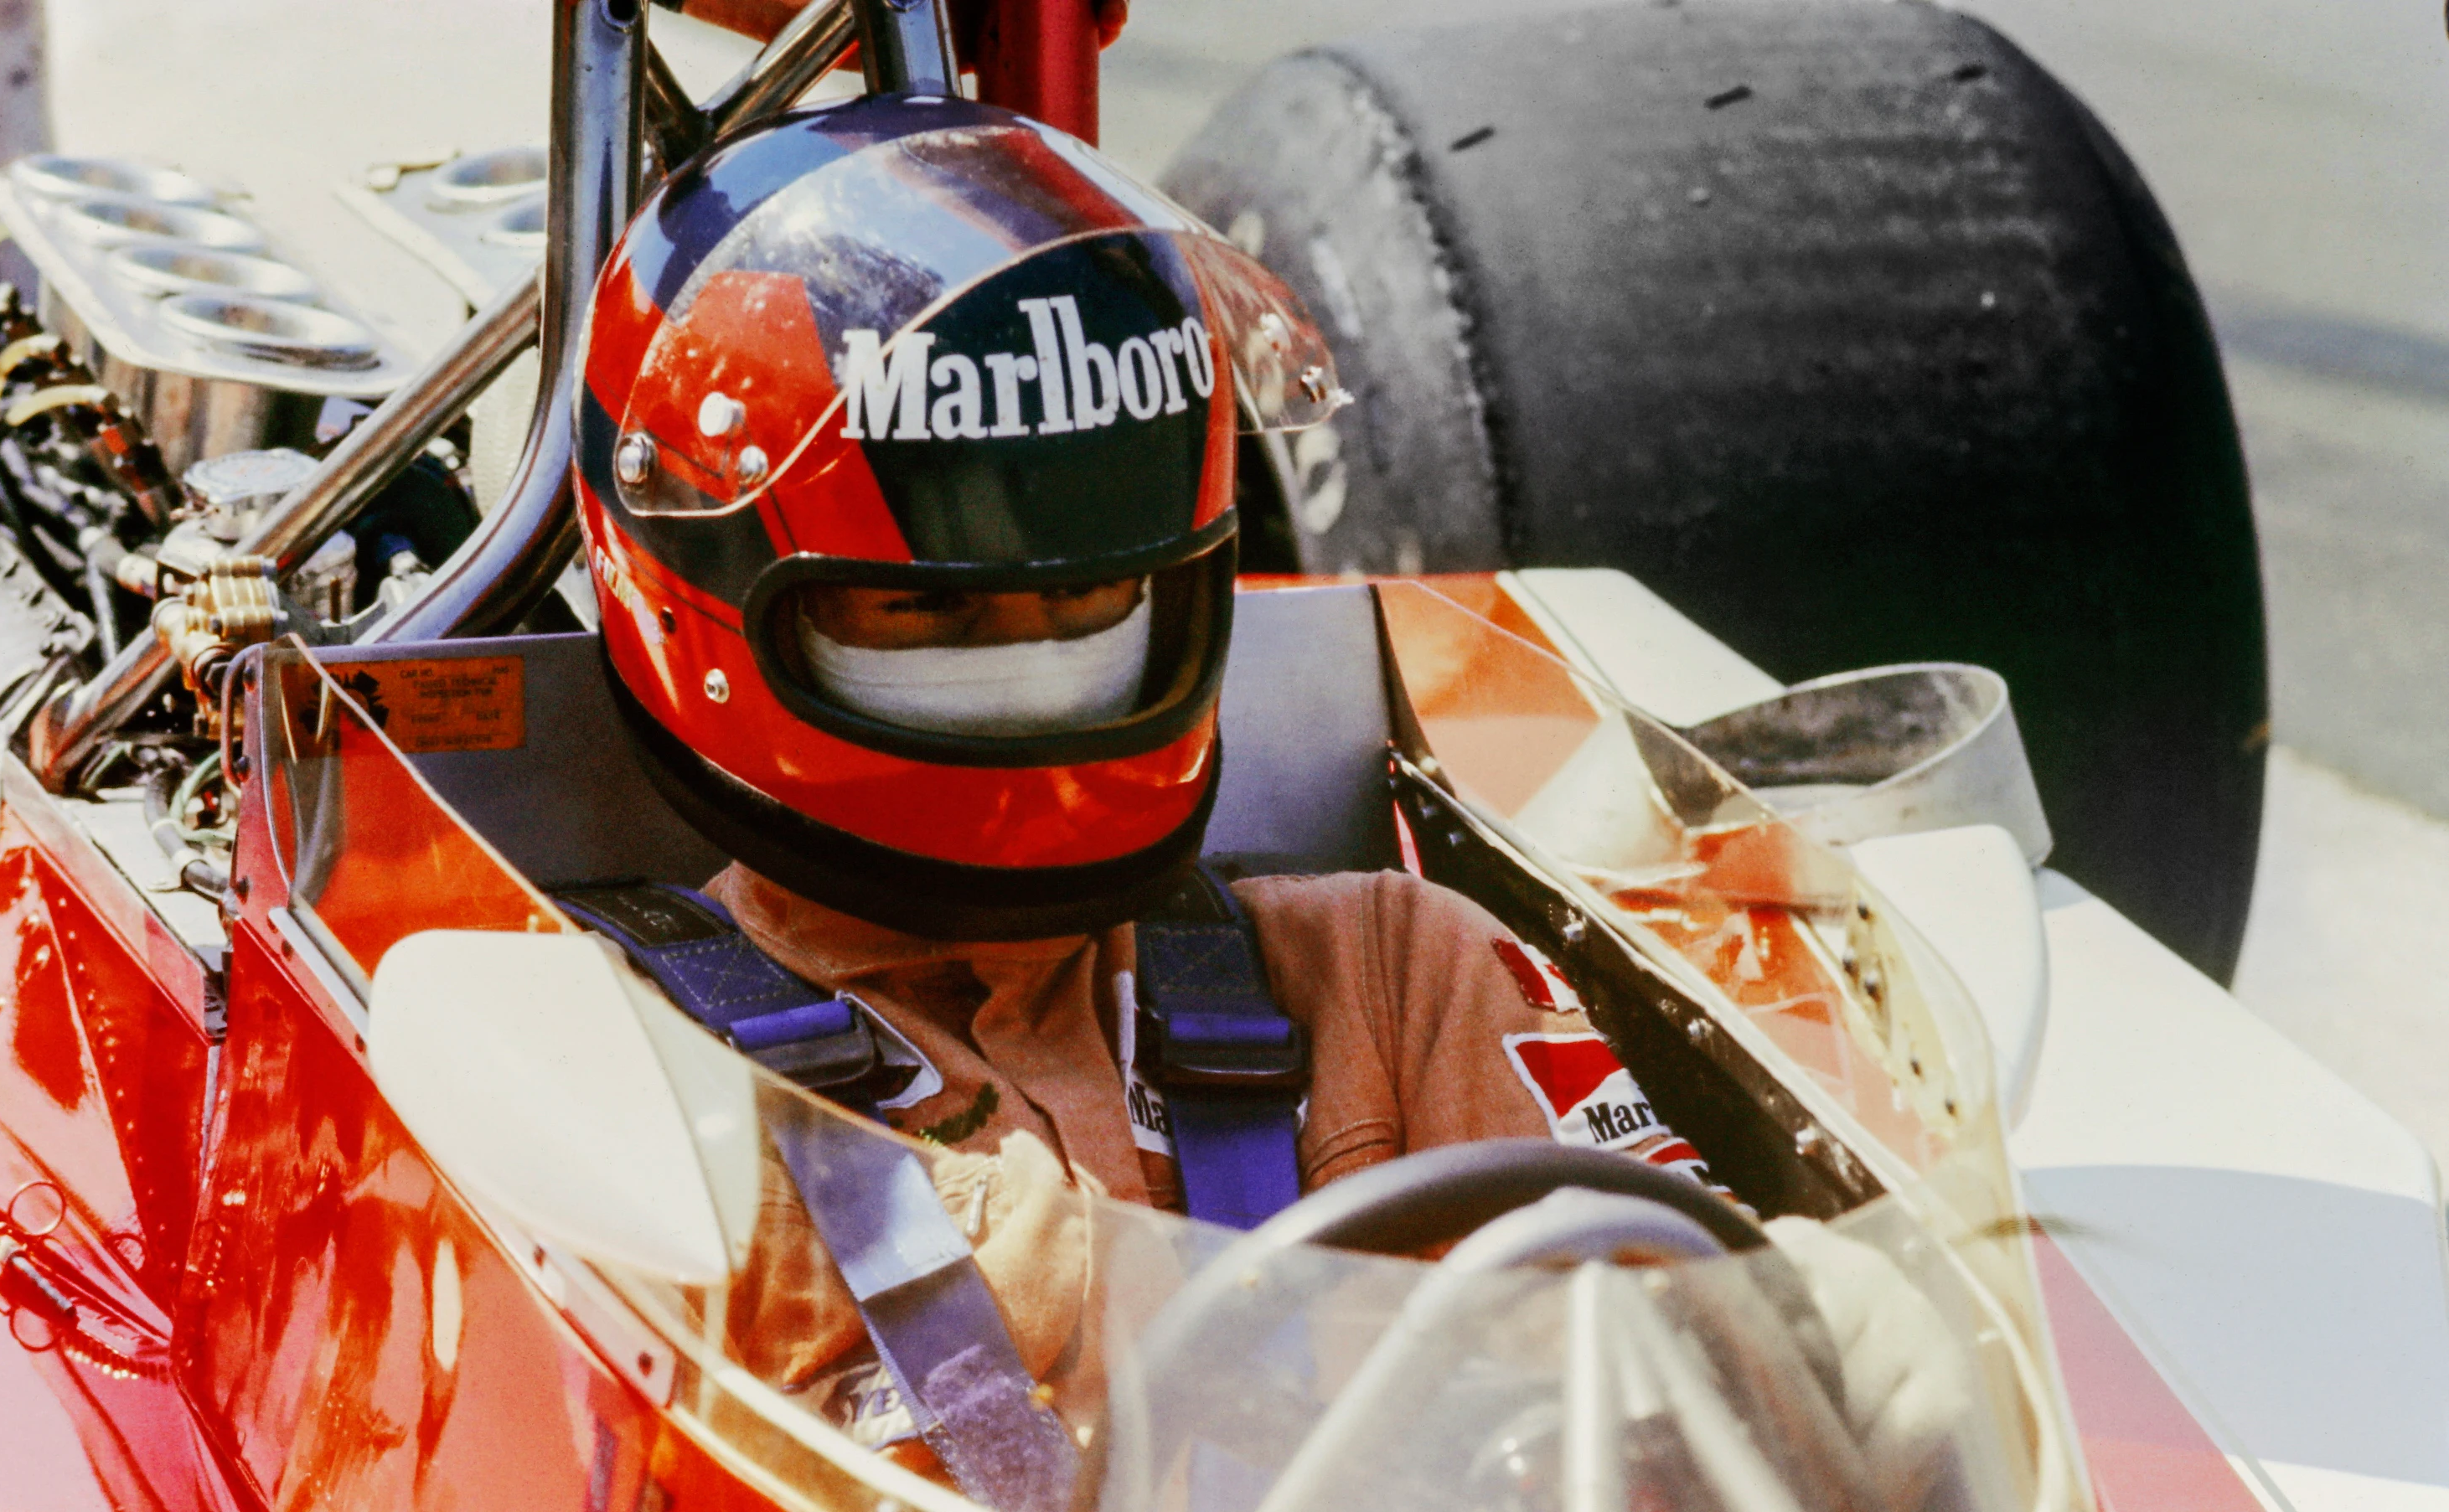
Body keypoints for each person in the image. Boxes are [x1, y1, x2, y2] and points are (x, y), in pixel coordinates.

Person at [567, 82, 1964, 1512]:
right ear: (718, 606)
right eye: (929, 625)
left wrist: (1831, 1337)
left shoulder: (1391, 969)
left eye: (1090, 601)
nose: (1032, 670)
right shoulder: (625, 1079)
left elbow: (1669, 1318)